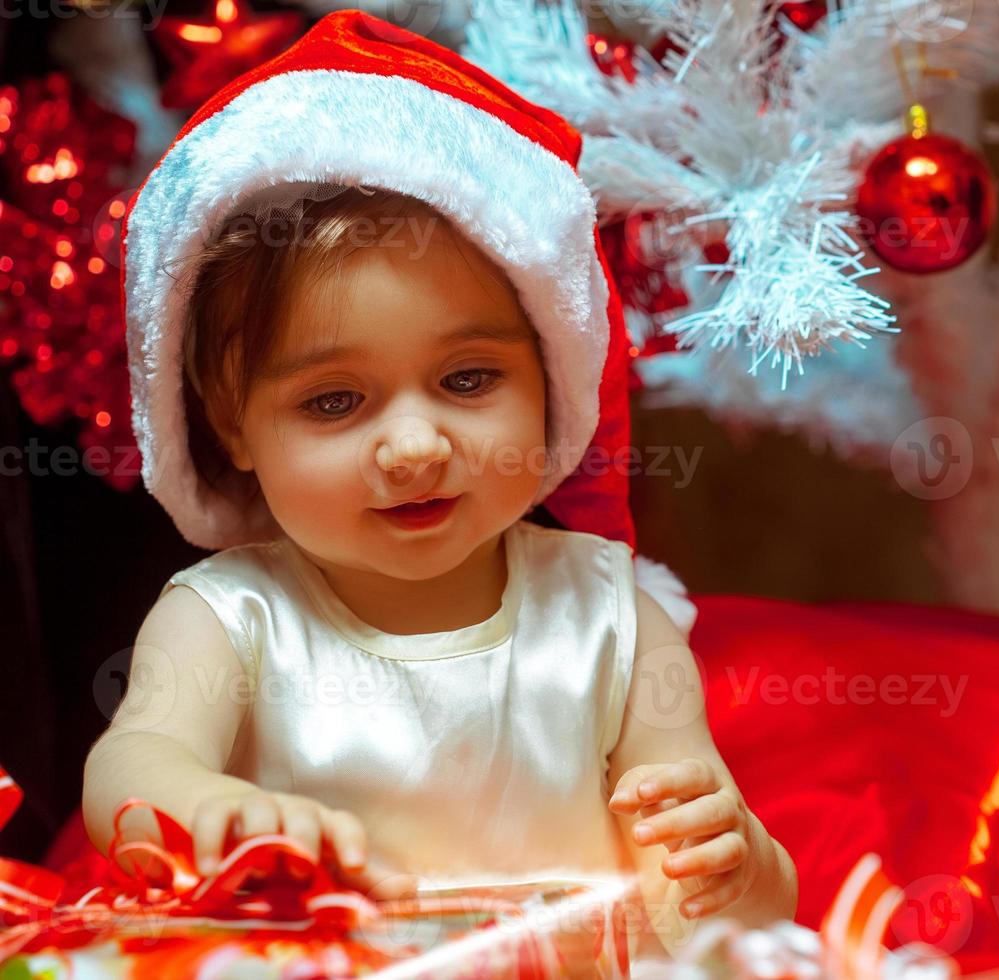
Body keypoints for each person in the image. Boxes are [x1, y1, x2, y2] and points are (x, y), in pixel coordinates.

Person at [80, 9, 796, 959]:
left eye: (468, 381)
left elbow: (729, 900)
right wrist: (208, 809)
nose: (414, 447)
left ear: (552, 379)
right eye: (335, 402)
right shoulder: (231, 618)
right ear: (229, 423)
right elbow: (130, 768)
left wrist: (737, 862)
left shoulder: (609, 614)